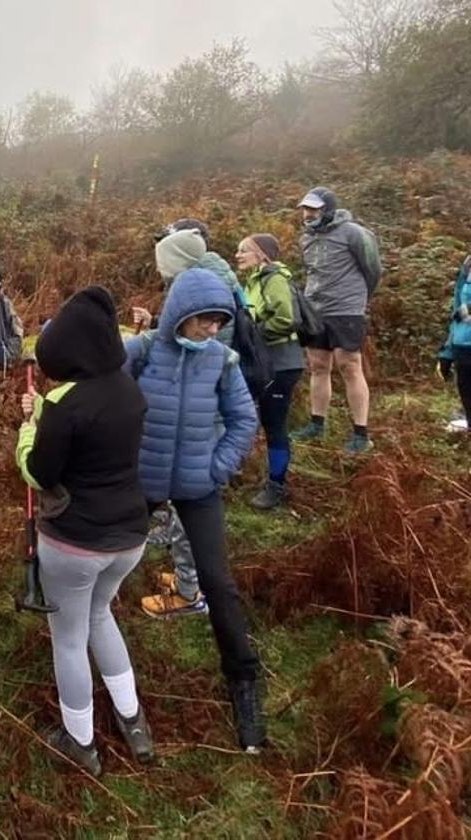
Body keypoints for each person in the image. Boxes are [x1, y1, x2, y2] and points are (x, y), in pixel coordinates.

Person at [123, 269, 265, 752]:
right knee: (105, 568)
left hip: (197, 486)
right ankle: (87, 655)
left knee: (219, 584)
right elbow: (103, 399)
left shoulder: (222, 361)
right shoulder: (142, 352)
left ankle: (243, 682)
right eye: (206, 319)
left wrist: (215, 468)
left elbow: (245, 419)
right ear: (181, 312)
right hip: (140, 483)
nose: (212, 328)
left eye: (219, 320)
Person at [15, 287, 153, 777]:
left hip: (75, 542)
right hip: (130, 538)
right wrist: (46, 412)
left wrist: (31, 424)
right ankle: (133, 722)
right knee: (101, 616)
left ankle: (80, 742)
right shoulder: (128, 389)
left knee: (68, 639)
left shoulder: (62, 404)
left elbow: (38, 472)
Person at [291, 187, 382, 455]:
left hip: (346, 309)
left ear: (328, 209)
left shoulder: (354, 233)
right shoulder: (306, 238)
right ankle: (317, 424)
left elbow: (373, 269)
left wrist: (359, 299)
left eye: (314, 209)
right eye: (305, 209)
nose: (308, 215)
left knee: (349, 366)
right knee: (318, 366)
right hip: (315, 309)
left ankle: (361, 434)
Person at [236, 235, 305, 509]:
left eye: (245, 251)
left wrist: (253, 335)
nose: (238, 255)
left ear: (262, 255)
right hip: (265, 363)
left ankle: (276, 487)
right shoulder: (253, 281)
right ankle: (251, 473)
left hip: (282, 364)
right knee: (252, 419)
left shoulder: (274, 279)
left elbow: (286, 319)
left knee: (274, 426)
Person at [438, 255, 471, 428]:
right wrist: (447, 352)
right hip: (462, 346)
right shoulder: (467, 266)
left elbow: (464, 311)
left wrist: (468, 310)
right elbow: (456, 312)